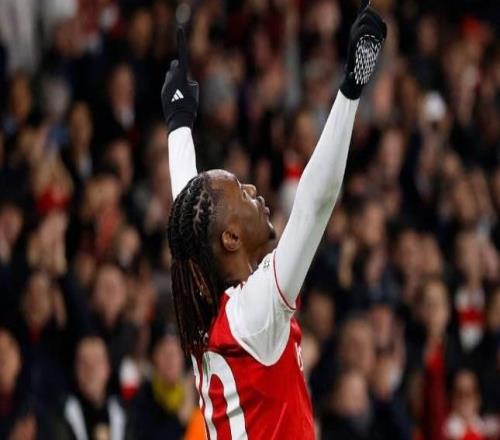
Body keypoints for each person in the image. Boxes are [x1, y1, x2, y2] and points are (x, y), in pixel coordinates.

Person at [162, 2, 387, 438]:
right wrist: (351, 89)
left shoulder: (209, 312)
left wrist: (179, 123)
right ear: (230, 238)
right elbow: (314, 205)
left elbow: (187, 217)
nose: (253, 190)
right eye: (241, 192)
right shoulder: (255, 314)